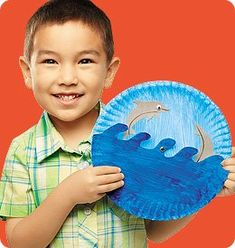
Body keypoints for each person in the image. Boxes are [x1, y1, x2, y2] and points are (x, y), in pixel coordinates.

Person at [0, 0, 234, 247]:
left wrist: (201, 190)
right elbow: (18, 242)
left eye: (85, 61)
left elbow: (154, 231)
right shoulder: (23, 150)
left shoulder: (138, 141)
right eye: (50, 61)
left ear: (109, 71)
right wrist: (66, 196)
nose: (67, 78)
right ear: (27, 71)